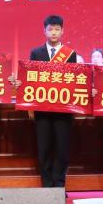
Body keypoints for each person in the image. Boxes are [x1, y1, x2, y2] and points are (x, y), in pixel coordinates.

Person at [29, 14, 76, 189]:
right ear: (45, 31)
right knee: (44, 148)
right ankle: (47, 185)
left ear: (62, 31)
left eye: (57, 29)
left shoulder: (70, 54)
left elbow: (73, 79)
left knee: (62, 149)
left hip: (63, 110)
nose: (54, 32)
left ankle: (59, 185)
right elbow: (31, 78)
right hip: (42, 110)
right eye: (50, 29)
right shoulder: (36, 53)